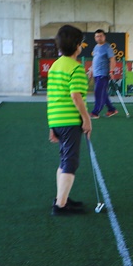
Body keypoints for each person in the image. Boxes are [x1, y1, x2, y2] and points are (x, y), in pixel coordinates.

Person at [47, 25, 92, 216]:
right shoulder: (76, 68)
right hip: (69, 121)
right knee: (70, 162)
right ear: (77, 46)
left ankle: (61, 198)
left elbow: (51, 96)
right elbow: (76, 96)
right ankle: (61, 206)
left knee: (64, 159)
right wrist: (86, 119)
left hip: (57, 120)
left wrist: (51, 126)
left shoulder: (55, 66)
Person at [90, 29, 118, 118]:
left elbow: (112, 59)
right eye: (97, 36)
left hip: (103, 74)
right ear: (95, 37)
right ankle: (112, 109)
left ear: (104, 37)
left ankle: (95, 112)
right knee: (103, 93)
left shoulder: (107, 47)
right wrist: (91, 70)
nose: (99, 38)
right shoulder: (96, 47)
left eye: (101, 36)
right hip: (96, 74)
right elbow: (94, 60)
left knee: (98, 92)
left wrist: (111, 71)